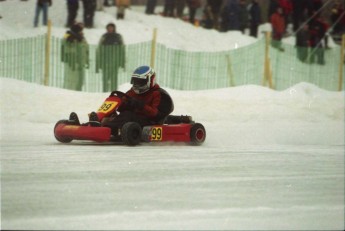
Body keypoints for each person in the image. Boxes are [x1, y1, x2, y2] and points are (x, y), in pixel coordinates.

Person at [100, 66, 174, 137]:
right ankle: (98, 123)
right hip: (135, 120)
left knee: (127, 115)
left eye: (140, 82)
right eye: (135, 81)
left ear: (150, 81)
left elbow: (156, 115)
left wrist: (140, 105)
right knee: (112, 115)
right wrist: (122, 104)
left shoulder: (160, 94)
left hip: (150, 122)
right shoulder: (132, 92)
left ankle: (107, 130)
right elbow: (122, 109)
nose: (137, 84)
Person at [96, 23, 125, 92]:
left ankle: (114, 91)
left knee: (114, 79)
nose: (110, 29)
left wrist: (122, 62)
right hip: (105, 61)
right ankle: (104, 91)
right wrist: (99, 62)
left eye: (111, 27)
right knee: (105, 79)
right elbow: (99, 49)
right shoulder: (104, 37)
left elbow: (122, 50)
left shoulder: (118, 37)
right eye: (109, 28)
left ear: (114, 28)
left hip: (115, 61)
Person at [61, 23, 89, 91]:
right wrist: (69, 35)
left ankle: (78, 93)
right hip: (72, 61)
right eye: (80, 30)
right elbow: (63, 41)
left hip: (81, 62)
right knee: (72, 80)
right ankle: (70, 93)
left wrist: (87, 60)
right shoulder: (68, 35)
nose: (82, 32)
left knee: (80, 81)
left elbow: (86, 49)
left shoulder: (82, 38)